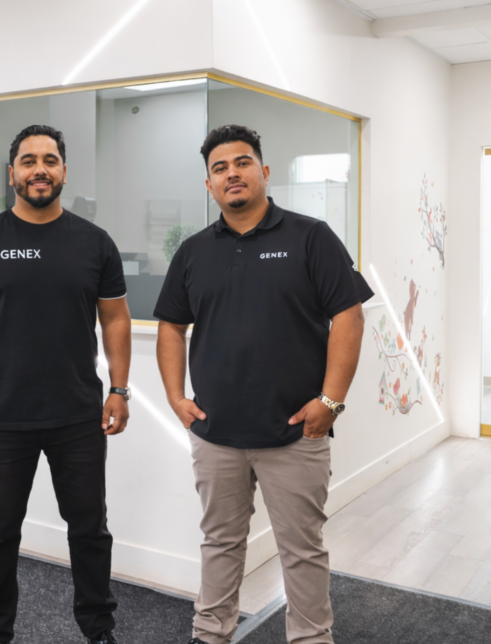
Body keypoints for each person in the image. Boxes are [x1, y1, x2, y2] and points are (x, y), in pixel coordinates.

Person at [154, 125, 373, 644]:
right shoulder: (193, 251)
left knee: (302, 549)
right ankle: (210, 633)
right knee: (220, 543)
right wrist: (176, 398)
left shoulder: (310, 236)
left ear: (264, 171)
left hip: (294, 432)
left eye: (242, 163)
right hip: (216, 433)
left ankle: (311, 638)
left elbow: (348, 316)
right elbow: (171, 325)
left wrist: (330, 401)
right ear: (209, 184)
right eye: (220, 168)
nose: (232, 174)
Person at [0, 124, 132, 644]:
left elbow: (115, 318)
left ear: (64, 171)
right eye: (28, 161)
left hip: (79, 415)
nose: (39, 169)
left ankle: (99, 631)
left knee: (89, 531)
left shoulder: (95, 243)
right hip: (2, 418)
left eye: (49, 160)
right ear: (12, 174)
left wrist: (119, 388)